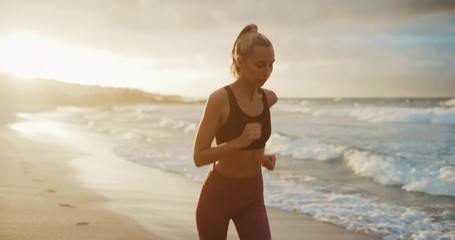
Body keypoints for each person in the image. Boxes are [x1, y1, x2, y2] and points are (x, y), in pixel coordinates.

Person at [193, 23, 278, 240]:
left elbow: (251, 144)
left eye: (270, 65)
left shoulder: (268, 98)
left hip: (252, 196)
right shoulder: (220, 100)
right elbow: (199, 156)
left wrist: (259, 157)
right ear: (240, 62)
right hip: (218, 196)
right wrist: (239, 143)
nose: (266, 72)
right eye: (260, 65)